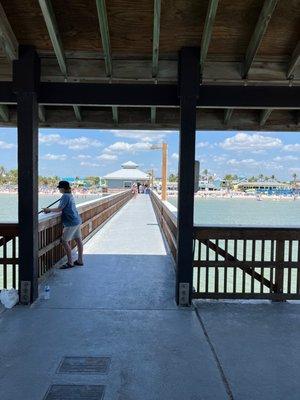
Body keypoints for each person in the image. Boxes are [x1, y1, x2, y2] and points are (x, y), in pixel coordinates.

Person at [43, 180, 84, 269]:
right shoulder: (70, 195)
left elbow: (60, 209)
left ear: (62, 188)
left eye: (59, 188)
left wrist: (48, 210)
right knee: (78, 240)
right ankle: (80, 260)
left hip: (71, 222)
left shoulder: (65, 196)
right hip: (76, 220)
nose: (58, 190)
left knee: (64, 241)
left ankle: (70, 263)